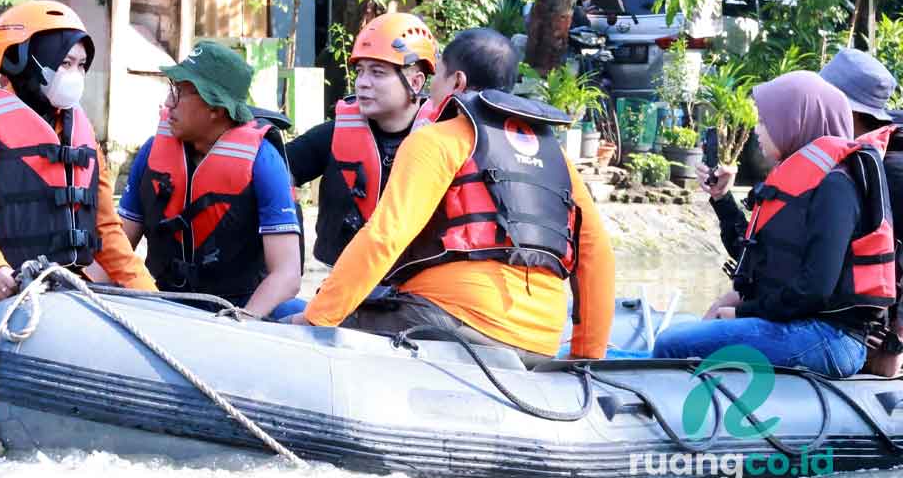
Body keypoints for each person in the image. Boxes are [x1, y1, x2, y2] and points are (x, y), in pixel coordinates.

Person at [288, 28, 616, 366]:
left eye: (437, 75)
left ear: (456, 82)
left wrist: (315, 319)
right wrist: (585, 356)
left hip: (452, 321)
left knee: (309, 331)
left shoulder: (437, 141)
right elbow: (597, 255)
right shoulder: (556, 157)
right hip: (542, 340)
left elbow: (385, 236)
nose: (431, 88)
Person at [0, 0, 157, 321]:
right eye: (65, 63)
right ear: (24, 60)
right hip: (0, 291)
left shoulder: (80, 129)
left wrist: (153, 298)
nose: (75, 75)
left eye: (81, 65)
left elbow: (107, 230)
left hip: (71, 290)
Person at [657, 71, 894, 378]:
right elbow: (755, 258)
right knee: (688, 331)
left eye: (765, 122)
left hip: (831, 338)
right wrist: (722, 199)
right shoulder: (800, 181)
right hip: (800, 324)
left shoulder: (836, 187)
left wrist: (742, 313)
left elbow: (815, 290)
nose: (757, 130)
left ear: (795, 122)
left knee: (671, 344)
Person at [118, 41, 304, 318]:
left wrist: (244, 319)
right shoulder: (151, 152)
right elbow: (116, 248)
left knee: (301, 312)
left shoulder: (263, 161)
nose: (168, 103)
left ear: (215, 107)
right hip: (161, 303)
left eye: (179, 92)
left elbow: (287, 274)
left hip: (237, 308)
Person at [285, 12, 440, 266]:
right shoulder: (334, 134)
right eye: (360, 71)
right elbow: (274, 169)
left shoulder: (443, 140)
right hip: (344, 283)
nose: (363, 83)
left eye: (378, 73)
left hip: (421, 286)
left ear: (415, 81)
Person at [820, 48, 903, 375]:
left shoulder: (892, 171)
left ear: (845, 108)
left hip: (877, 328)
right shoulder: (848, 157)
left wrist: (894, 342)